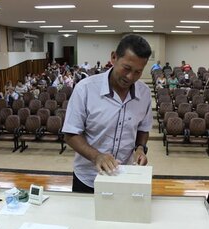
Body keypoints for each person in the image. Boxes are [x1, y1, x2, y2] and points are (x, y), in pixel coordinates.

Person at [62, 34, 153, 193]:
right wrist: (97, 156)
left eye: (138, 72)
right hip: (88, 178)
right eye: (126, 68)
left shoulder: (144, 93)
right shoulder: (85, 89)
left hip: (123, 176)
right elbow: (70, 134)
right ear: (113, 57)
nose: (130, 77)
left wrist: (140, 148)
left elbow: (143, 129)